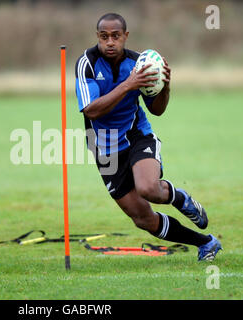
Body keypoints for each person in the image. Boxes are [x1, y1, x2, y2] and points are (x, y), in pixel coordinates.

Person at [75, 13, 222, 261]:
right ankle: (206, 243)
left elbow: (157, 110)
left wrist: (165, 85)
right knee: (142, 218)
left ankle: (179, 197)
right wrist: (128, 85)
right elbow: (91, 110)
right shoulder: (86, 63)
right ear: (97, 37)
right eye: (104, 37)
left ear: (126, 36)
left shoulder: (139, 64)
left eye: (115, 36)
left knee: (148, 188)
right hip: (104, 148)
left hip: (136, 136)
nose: (110, 42)